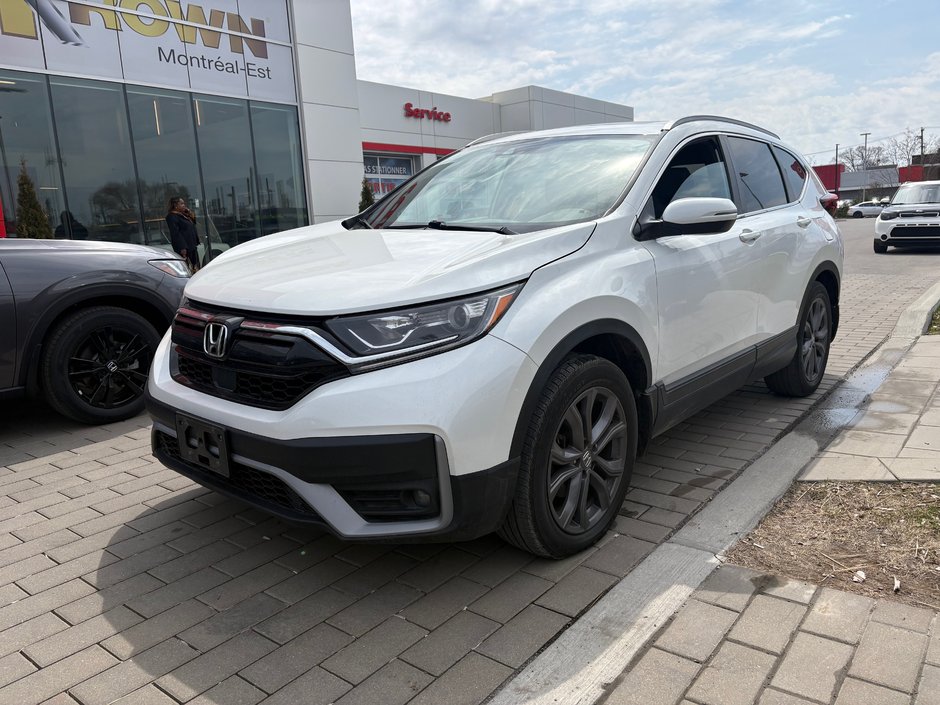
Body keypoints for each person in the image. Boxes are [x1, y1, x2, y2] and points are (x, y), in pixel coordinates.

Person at [166, 196, 200, 272]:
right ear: (175, 205)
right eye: (181, 203)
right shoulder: (171, 217)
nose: (184, 205)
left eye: (184, 203)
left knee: (196, 267)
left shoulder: (183, 215)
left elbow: (194, 222)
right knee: (187, 269)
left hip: (192, 245)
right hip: (185, 248)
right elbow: (175, 233)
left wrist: (189, 212)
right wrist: (182, 248)